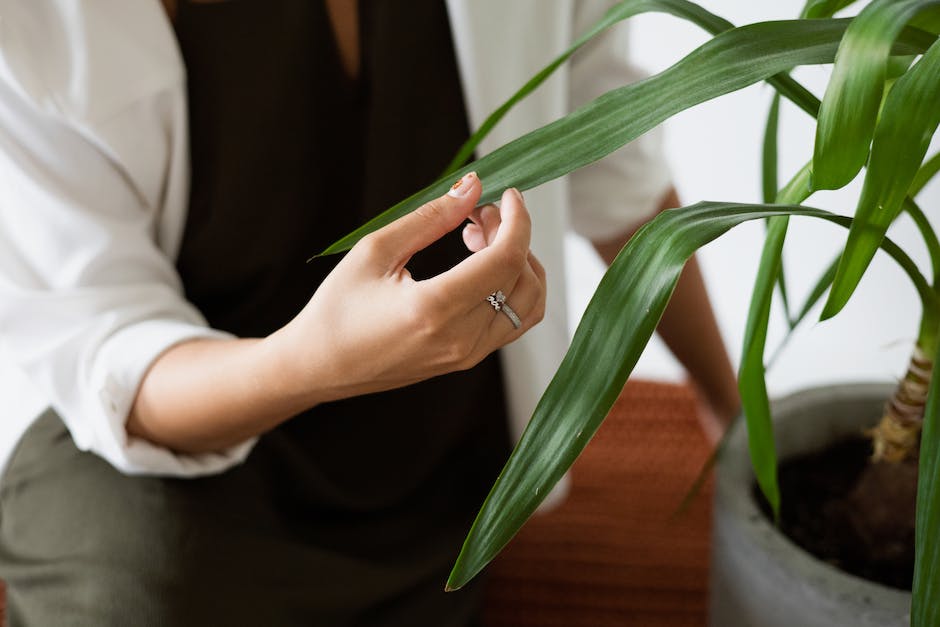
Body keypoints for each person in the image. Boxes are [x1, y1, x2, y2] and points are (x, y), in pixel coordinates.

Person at [0, 0, 738, 625]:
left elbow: (612, 151)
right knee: (141, 587)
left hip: (433, 454)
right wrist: (309, 365)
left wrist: (726, 403)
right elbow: (107, 346)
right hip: (150, 454)